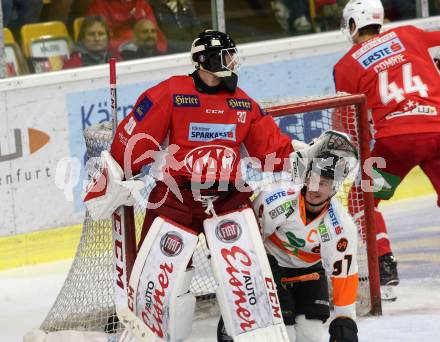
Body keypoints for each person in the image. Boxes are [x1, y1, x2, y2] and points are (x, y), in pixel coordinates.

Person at [333, 0, 440, 299]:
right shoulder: (409, 34)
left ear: (353, 24)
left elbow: (346, 123)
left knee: (361, 197)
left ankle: (384, 264)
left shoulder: (345, 65)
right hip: (438, 129)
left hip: (396, 142)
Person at [218, 148, 360, 342]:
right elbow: (248, 242)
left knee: (311, 338)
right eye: (313, 179)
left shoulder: (342, 227)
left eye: (324, 183)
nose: (315, 188)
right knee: (284, 336)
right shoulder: (275, 199)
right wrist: (241, 296)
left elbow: (344, 276)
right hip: (271, 266)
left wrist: (346, 321)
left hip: (309, 272)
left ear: (334, 189)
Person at [87, 0, 167, 53]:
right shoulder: (99, 5)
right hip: (119, 60)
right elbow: (102, 42)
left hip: (148, 55)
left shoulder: (141, 3)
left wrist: (160, 53)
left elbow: (157, 35)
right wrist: (132, 41)